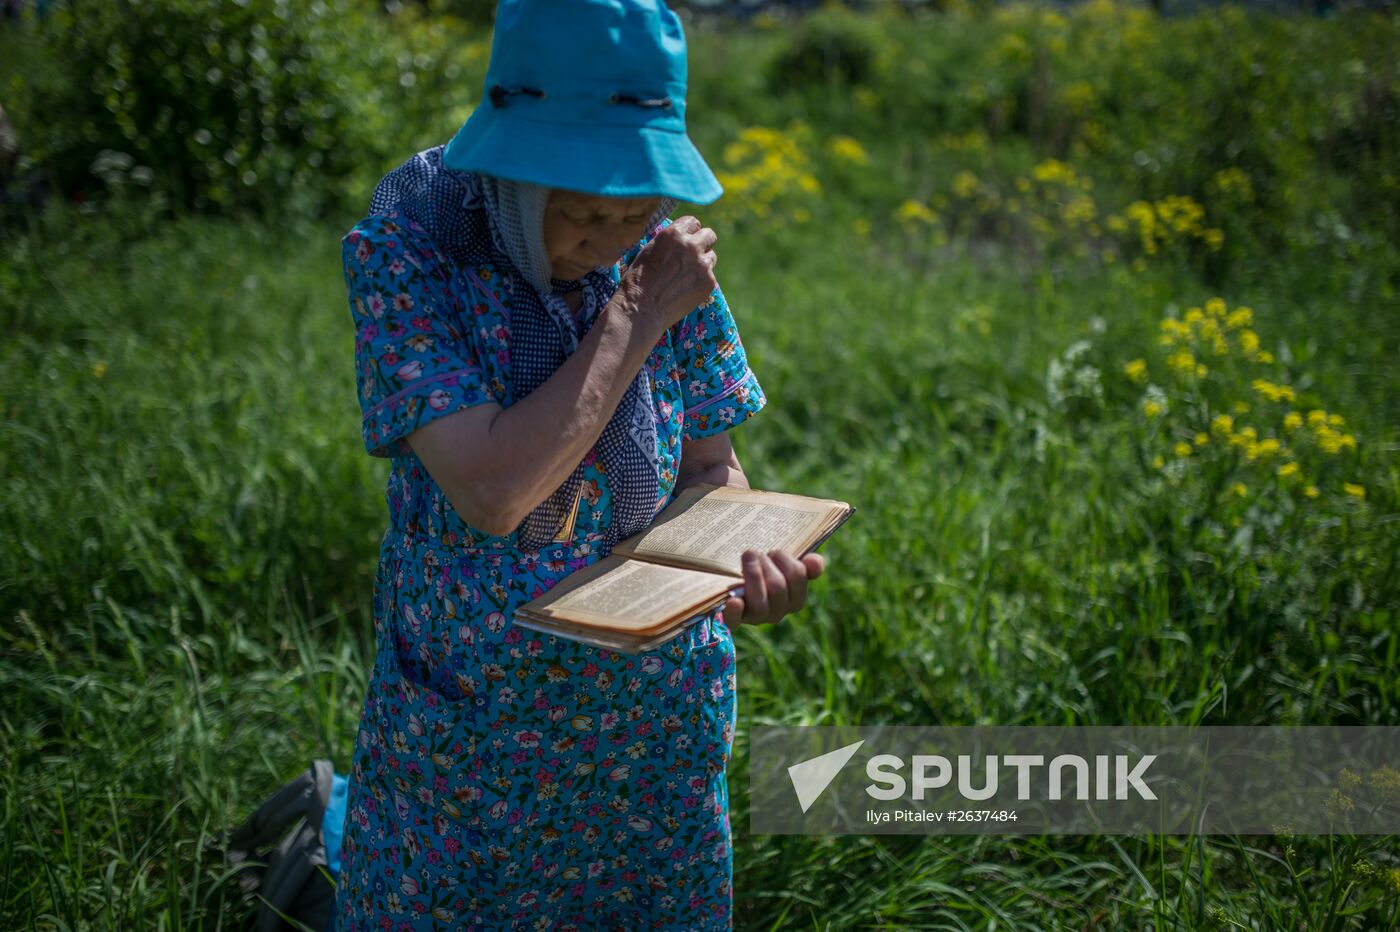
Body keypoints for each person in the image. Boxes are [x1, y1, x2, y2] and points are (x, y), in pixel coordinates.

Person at [335, 0, 828, 927]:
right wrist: (634, 315)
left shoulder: (659, 249)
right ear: (513, 171)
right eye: (589, 215)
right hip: (476, 753)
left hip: (653, 738)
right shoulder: (409, 254)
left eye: (637, 209)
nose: (610, 245)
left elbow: (711, 466)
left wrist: (741, 557)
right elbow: (491, 492)